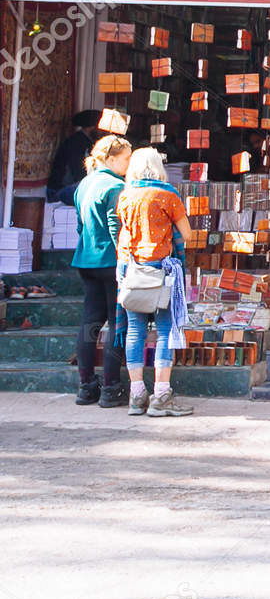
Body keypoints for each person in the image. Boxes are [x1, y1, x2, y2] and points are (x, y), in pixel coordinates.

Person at [116, 147, 194, 418]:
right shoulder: (167, 195)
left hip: (133, 271)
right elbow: (187, 234)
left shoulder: (125, 197)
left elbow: (126, 234)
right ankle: (161, 395)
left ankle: (136, 396)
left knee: (135, 331)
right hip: (162, 272)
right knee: (165, 330)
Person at [70, 135, 132, 408]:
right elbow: (115, 226)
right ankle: (110, 387)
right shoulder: (116, 186)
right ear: (110, 158)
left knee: (90, 323)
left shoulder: (84, 184)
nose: (128, 164)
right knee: (117, 324)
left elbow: (80, 225)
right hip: (111, 263)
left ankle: (86, 386)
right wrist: (124, 259)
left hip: (86, 260)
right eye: (126, 158)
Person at [46, 111, 101, 203]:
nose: (102, 131)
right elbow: (78, 172)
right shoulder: (76, 142)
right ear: (90, 127)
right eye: (99, 128)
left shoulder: (87, 142)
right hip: (60, 190)